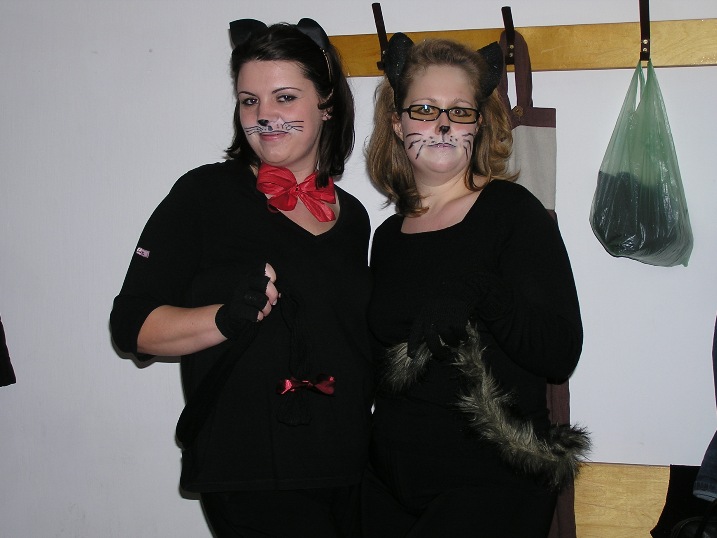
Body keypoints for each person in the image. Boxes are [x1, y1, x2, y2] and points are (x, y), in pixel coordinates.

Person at [110, 18, 373, 538]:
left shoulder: (355, 217)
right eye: (249, 101)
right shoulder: (204, 195)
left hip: (350, 467)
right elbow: (131, 326)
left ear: (326, 104)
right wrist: (224, 318)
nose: (264, 116)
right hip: (249, 471)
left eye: (284, 98)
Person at [361, 34, 589, 538]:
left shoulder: (514, 213)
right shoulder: (388, 237)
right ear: (397, 123)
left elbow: (559, 353)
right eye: (424, 109)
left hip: (490, 485)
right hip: (391, 485)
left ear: (479, 123)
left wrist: (484, 292)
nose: (442, 125)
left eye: (460, 111)